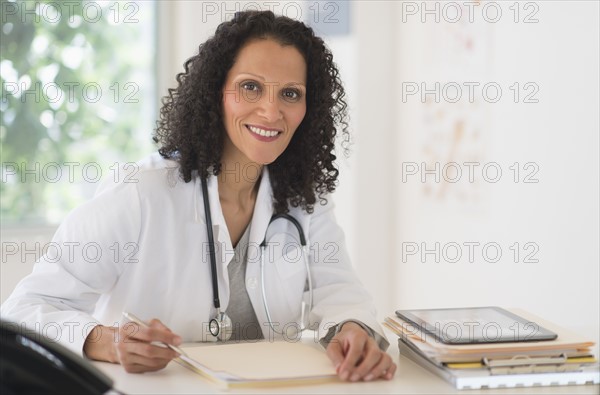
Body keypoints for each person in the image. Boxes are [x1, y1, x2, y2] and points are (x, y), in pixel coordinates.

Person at [1, 11, 396, 382]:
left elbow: (341, 293)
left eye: (290, 94)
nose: (271, 111)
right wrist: (108, 341)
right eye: (250, 87)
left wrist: (353, 330)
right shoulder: (141, 194)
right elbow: (22, 310)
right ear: (215, 93)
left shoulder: (302, 200)